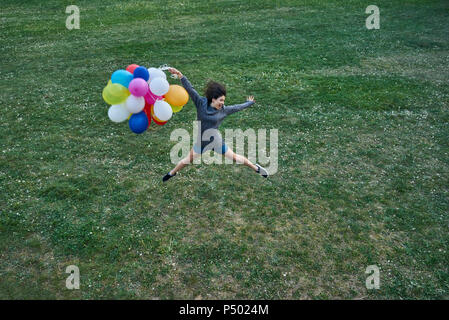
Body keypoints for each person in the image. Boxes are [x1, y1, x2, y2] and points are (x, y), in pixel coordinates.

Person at [162, 67, 268, 182]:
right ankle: (171, 173)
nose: (222, 103)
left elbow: (237, 107)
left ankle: (256, 168)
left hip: (215, 142)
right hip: (201, 142)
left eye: (223, 101)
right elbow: (190, 89)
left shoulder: (224, 110)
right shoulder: (201, 103)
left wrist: (249, 103)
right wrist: (180, 75)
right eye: (221, 100)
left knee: (235, 157)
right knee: (187, 160)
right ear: (213, 99)